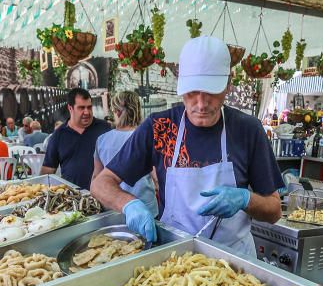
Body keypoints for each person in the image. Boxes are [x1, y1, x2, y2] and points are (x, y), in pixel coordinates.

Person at [92, 36, 282, 254]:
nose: (201, 104)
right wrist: (129, 205)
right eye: (192, 93)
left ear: (228, 85)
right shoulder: (159, 127)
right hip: (174, 259)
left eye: (211, 92)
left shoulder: (247, 129)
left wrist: (245, 199)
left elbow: (274, 210)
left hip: (235, 261)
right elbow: (101, 184)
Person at [92, 91, 158, 217]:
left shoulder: (101, 140)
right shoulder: (145, 137)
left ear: (116, 111)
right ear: (137, 109)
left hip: (112, 208)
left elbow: (96, 177)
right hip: (145, 209)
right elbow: (156, 177)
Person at [41, 88, 112, 189]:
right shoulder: (58, 135)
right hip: (73, 198)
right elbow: (47, 171)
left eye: (89, 107)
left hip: (103, 195)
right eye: (81, 108)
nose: (87, 112)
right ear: (70, 108)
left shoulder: (105, 129)